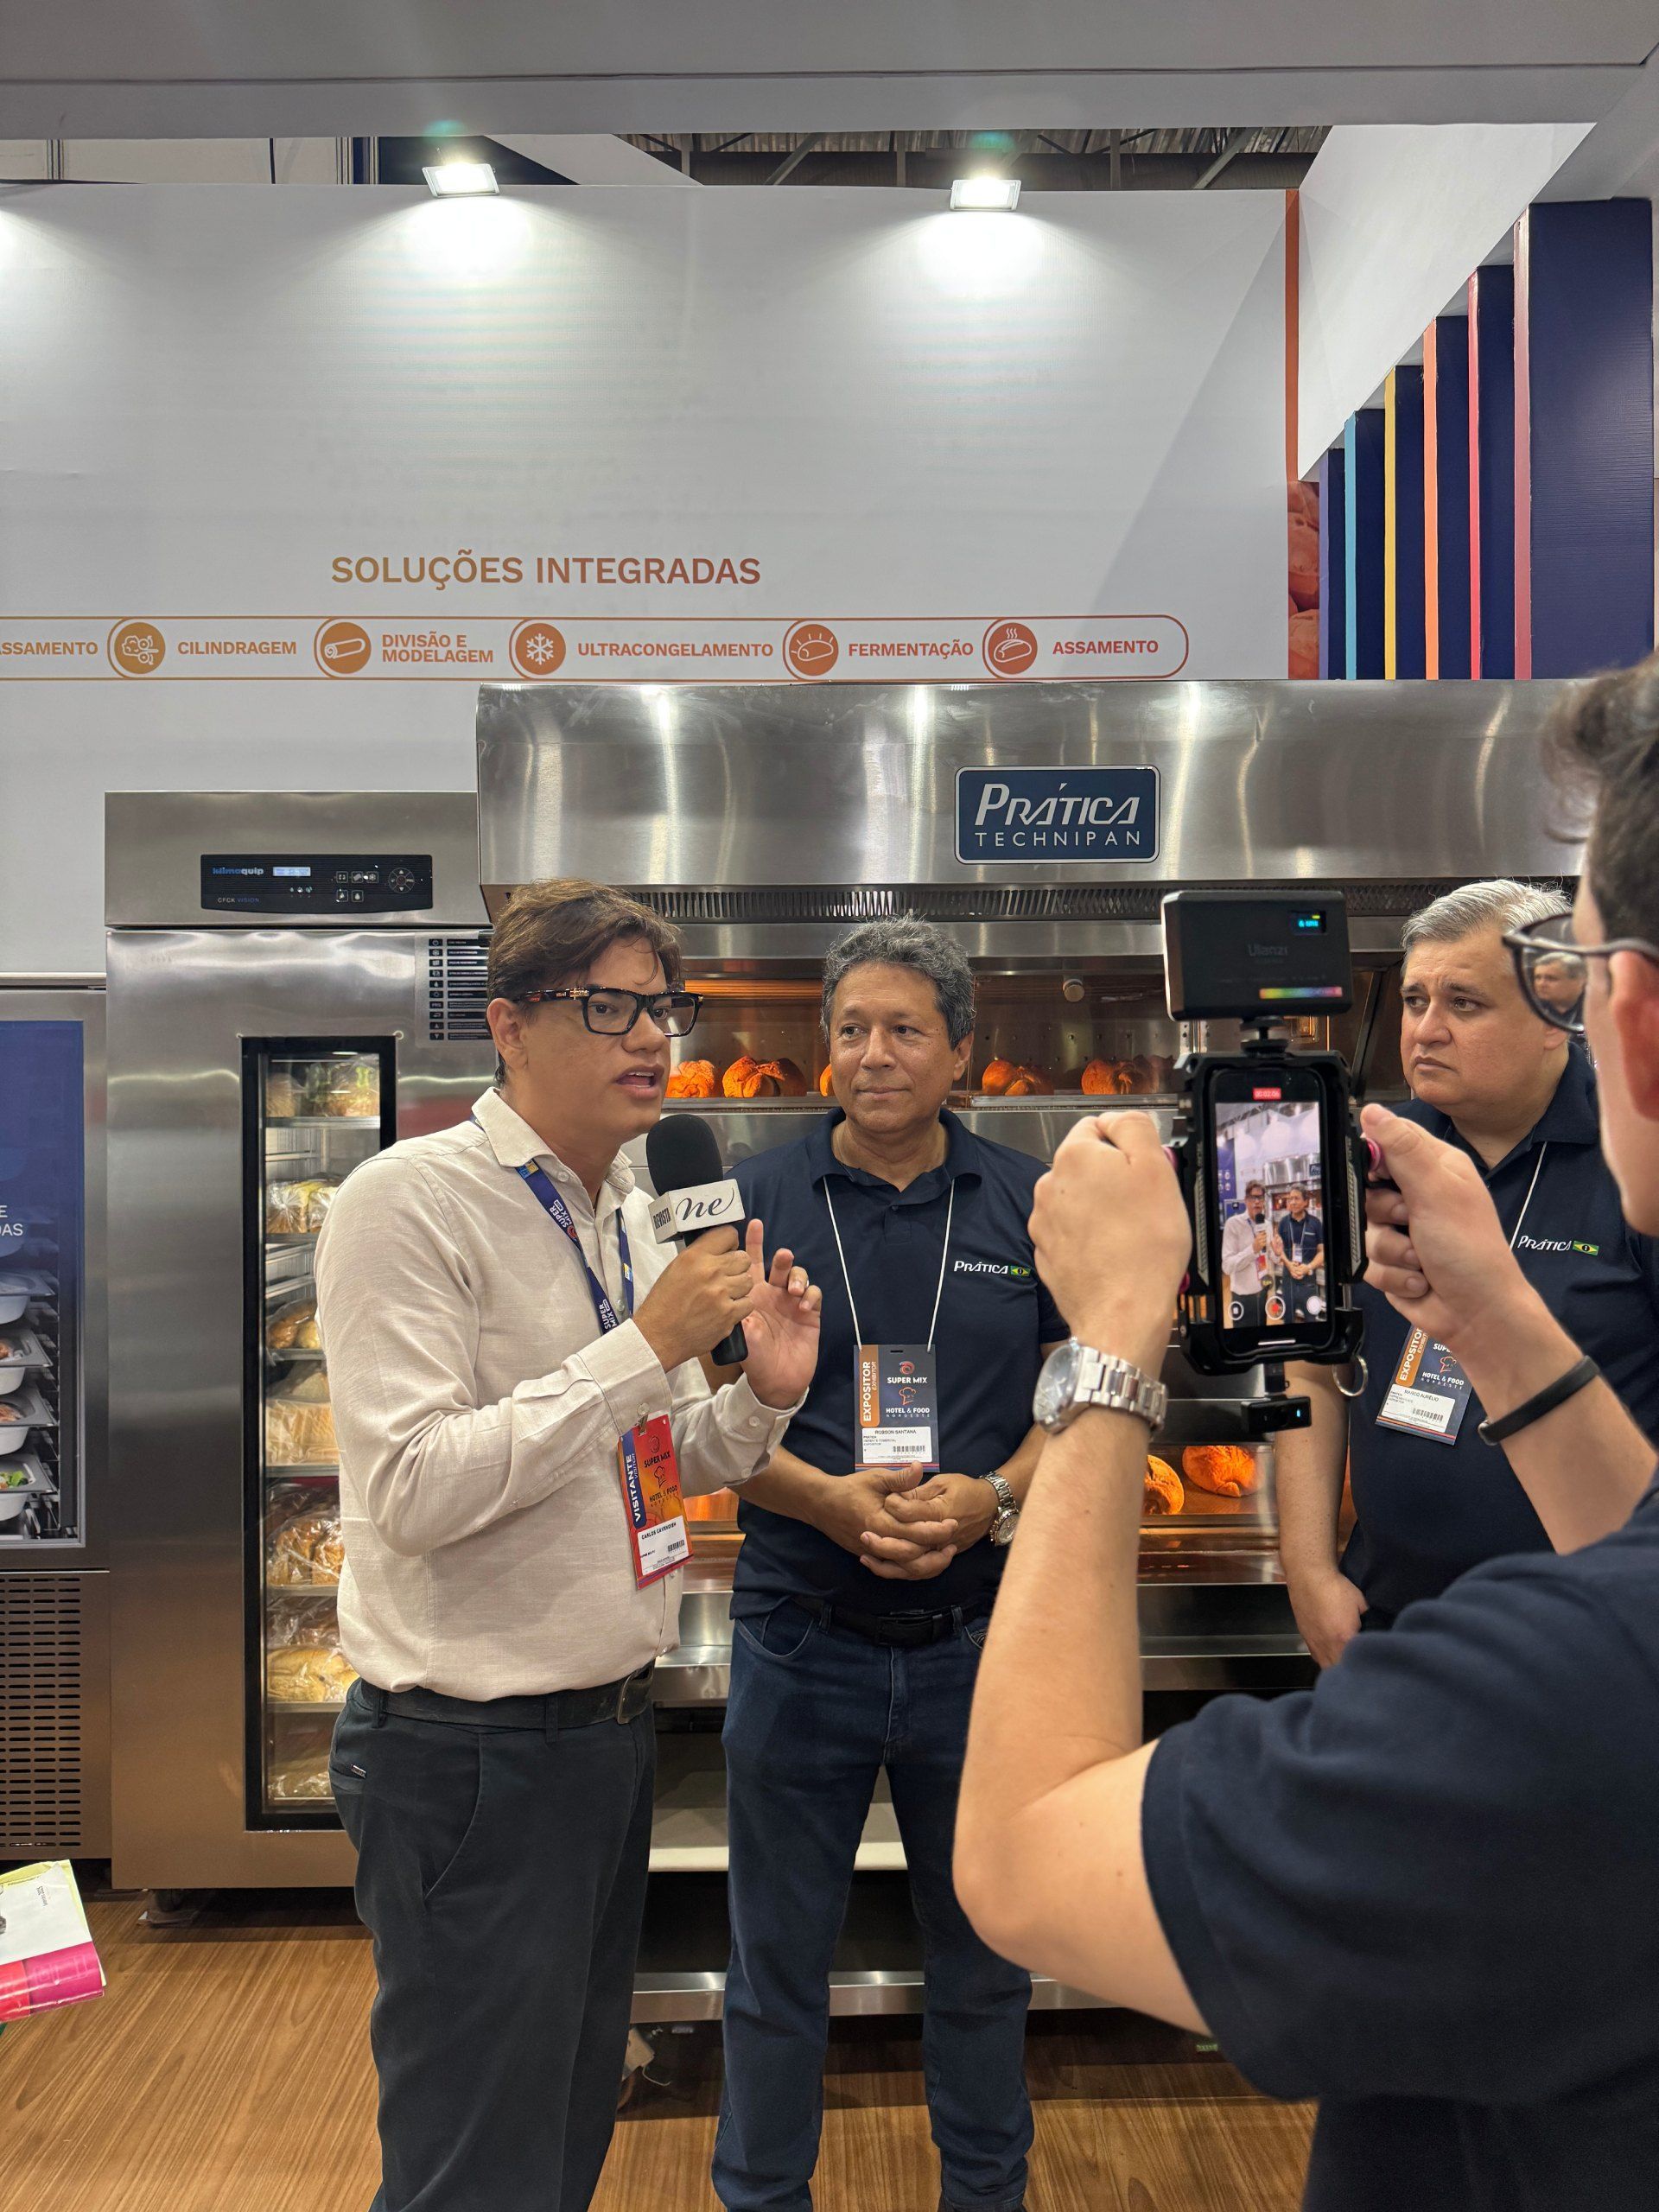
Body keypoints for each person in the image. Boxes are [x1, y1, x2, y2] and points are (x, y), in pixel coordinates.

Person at [955, 664, 1659, 2210]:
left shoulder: (1569, 1707)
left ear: (1624, 1022)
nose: (1426, 1026)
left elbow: (1021, 1859)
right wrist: (1501, 1328)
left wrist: (1110, 1348)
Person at [315, 879, 823, 2212]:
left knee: (558, 2142)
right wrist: (647, 1342)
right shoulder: (406, 1202)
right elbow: (415, 1487)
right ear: (508, 1025)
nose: (651, 1036)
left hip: (602, 1737)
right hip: (467, 1759)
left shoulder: (622, 1205)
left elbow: (640, 1465)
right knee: (475, 2163)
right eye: (606, 1005)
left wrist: (757, 1393)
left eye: (663, 1005)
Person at [712, 917, 1067, 2212]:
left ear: (961, 1054)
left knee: (983, 1960)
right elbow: (689, 1417)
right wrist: (828, 1503)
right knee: (776, 1964)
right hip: (800, 1629)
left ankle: (987, 2196)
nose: (874, 1054)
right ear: (826, 1049)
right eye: (853, 1028)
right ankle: (762, 2198)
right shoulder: (756, 1201)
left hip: (982, 1639)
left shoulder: (1030, 1200)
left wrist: (989, 1500)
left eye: (906, 1029)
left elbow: (1081, 1397)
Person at [1277, 877, 1659, 1662]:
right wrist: (1309, 1568)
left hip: (1595, 1639)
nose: (1426, 1031)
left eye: (1465, 1003)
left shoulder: (1638, 1156)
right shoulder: (1369, 1160)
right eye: (1415, 1001)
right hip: (1394, 1627)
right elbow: (1311, 1371)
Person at [1218, 1179, 1272, 1329]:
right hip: (1242, 1297)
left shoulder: (1267, 1225)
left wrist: (1278, 1253)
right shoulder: (1233, 1224)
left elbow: (1270, 1257)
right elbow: (1227, 1267)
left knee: (1262, 1339)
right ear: (1245, 1200)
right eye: (1253, 1198)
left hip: (1263, 1292)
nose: (1257, 1202)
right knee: (1243, 1344)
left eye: (1260, 1198)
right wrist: (1252, 1249)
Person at [1273, 1182, 1324, 1322]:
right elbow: (1279, 1250)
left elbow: (1322, 1252)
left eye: (1296, 1198)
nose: (1292, 1202)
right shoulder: (1283, 1223)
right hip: (1288, 1281)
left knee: (1311, 1319)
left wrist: (1308, 1267)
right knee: (1288, 1320)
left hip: (1309, 1282)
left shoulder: (1315, 1223)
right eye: (1290, 1199)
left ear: (1305, 1202)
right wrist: (1289, 1265)